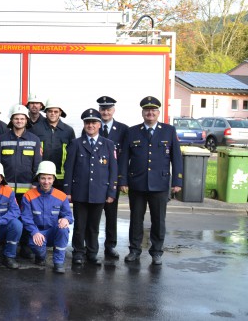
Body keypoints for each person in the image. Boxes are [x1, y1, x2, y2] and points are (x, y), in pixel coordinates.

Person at [120, 96, 182, 265]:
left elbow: (176, 158)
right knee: (136, 219)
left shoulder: (169, 131)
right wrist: (123, 180)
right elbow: (125, 158)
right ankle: (134, 250)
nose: (150, 113)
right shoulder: (132, 131)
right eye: (147, 110)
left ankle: (156, 252)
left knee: (158, 220)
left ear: (158, 112)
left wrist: (177, 181)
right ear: (142, 112)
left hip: (160, 184)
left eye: (153, 110)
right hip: (137, 183)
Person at [64, 108, 117, 266]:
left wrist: (111, 191)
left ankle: (92, 252)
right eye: (88, 122)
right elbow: (69, 169)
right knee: (80, 225)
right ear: (84, 124)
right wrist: (67, 191)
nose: (91, 125)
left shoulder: (108, 144)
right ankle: (78, 252)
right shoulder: (76, 144)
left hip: (99, 192)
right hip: (80, 191)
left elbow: (113, 170)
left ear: (99, 124)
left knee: (94, 226)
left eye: (94, 122)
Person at [0, 104, 42, 259]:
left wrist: (35, 184)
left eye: (22, 118)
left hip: (27, 189)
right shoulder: (1, 139)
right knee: (5, 217)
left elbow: (37, 165)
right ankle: (1, 244)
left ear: (26, 120)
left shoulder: (34, 140)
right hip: (6, 190)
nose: (19, 121)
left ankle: (25, 246)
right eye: (16, 118)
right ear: (12, 120)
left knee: (27, 218)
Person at [21, 161, 73, 274]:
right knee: (39, 250)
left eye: (49, 178)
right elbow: (26, 218)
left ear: (54, 179)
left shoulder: (61, 196)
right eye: (43, 178)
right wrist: (34, 232)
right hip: (37, 233)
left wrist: (65, 219)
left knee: (64, 229)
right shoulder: (28, 196)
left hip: (53, 231)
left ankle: (58, 262)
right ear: (38, 178)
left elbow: (69, 215)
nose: (46, 182)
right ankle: (40, 256)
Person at [97, 95, 128, 259]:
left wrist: (122, 180)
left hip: (112, 180)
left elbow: (124, 158)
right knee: (93, 216)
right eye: (102, 109)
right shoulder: (92, 126)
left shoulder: (123, 130)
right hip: (95, 180)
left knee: (111, 216)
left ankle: (110, 246)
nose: (105, 112)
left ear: (113, 110)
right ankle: (91, 245)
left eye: (108, 109)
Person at [31, 98, 75, 190]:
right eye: (50, 111)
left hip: (61, 178)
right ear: (46, 112)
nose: (53, 114)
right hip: (42, 178)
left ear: (60, 113)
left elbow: (72, 156)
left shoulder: (68, 131)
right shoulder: (35, 129)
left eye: (56, 111)